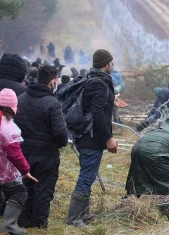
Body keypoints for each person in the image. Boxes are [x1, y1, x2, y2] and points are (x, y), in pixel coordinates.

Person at [65, 49, 117, 227]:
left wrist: (112, 100)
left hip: (88, 136)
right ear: (106, 64)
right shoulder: (99, 83)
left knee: (89, 174)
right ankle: (74, 218)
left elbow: (97, 106)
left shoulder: (94, 80)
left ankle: (83, 213)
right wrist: (108, 138)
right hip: (91, 137)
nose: (112, 65)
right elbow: (97, 113)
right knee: (86, 176)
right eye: (111, 62)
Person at [14, 65, 68, 228]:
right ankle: (38, 225)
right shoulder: (53, 104)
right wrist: (60, 143)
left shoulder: (21, 98)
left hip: (23, 152)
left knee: (25, 188)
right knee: (43, 190)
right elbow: (60, 133)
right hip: (46, 154)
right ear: (52, 81)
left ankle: (23, 221)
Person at [0, 89, 37, 235]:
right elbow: (15, 154)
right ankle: (8, 224)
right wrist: (26, 170)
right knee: (19, 192)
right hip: (3, 171)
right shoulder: (8, 127)